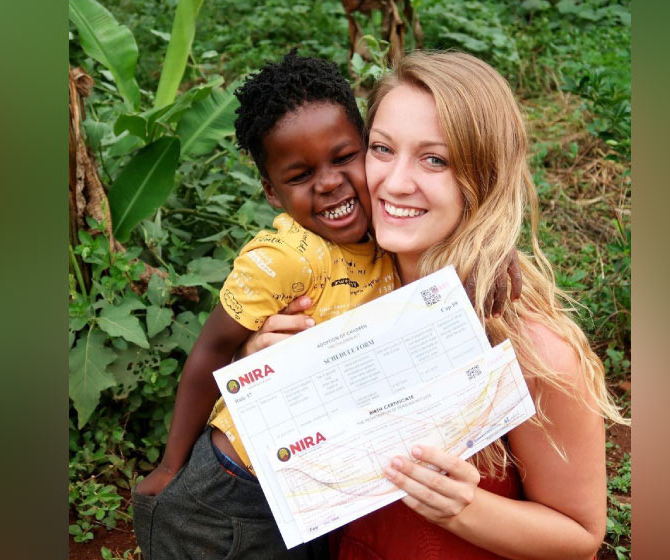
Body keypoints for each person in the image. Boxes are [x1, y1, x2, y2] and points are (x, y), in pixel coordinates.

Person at [131, 51, 520, 560]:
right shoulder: (285, 259)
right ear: (271, 192)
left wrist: (495, 252)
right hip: (234, 490)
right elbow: (209, 352)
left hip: (316, 488)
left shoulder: (384, 234)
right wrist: (168, 465)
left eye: (344, 158)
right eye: (300, 175)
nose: (330, 181)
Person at [247, 51, 628, 560]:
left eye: (435, 159)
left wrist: (463, 506)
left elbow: (581, 536)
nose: (395, 181)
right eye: (382, 149)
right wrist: (263, 360)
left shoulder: (532, 350)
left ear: (483, 177)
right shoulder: (336, 293)